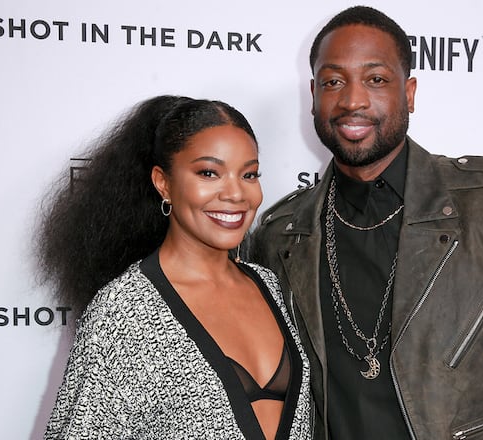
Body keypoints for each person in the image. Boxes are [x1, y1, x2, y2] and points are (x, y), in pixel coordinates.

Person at [249, 6, 483, 439]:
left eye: (376, 79)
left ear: (409, 93)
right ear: (314, 95)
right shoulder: (282, 233)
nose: (353, 100)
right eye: (334, 81)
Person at [37, 95, 312, 439]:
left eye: (249, 174)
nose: (236, 193)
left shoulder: (267, 283)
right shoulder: (126, 310)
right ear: (163, 182)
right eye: (209, 173)